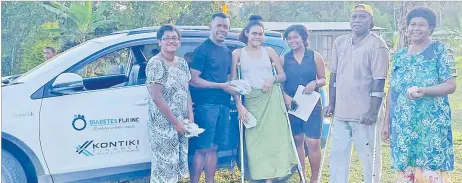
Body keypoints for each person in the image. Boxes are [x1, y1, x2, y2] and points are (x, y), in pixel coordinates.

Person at [382, 7, 457, 182]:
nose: (416, 28)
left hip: (431, 126)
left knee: (430, 168)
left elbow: (450, 85)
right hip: (403, 126)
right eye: (412, 24)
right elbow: (392, 91)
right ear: (406, 28)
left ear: (430, 28)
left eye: (421, 24)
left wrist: (425, 91)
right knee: (406, 170)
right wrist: (386, 123)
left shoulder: (440, 50)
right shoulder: (400, 55)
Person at [324, 4, 389, 183]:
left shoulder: (378, 46)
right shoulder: (340, 42)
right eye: (354, 17)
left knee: (369, 161)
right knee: (337, 158)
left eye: (362, 17)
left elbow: (379, 80)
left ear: (371, 21)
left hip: (365, 115)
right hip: (341, 113)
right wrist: (331, 103)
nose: (357, 21)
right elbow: (334, 76)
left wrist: (373, 112)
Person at [231, 15, 298, 183]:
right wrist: (239, 105)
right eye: (254, 33)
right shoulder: (237, 53)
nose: (257, 37)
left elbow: (282, 75)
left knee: (275, 140)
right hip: (252, 102)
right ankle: (261, 177)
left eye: (260, 34)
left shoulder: (269, 51)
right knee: (256, 142)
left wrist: (272, 79)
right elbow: (234, 83)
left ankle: (271, 178)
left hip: (272, 100)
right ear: (247, 33)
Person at [188, 12, 238, 183]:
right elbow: (194, 80)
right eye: (219, 25)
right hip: (205, 106)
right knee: (202, 148)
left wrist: (235, 87)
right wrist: (220, 86)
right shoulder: (202, 49)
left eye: (225, 26)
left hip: (223, 105)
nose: (222, 29)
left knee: (214, 148)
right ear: (210, 26)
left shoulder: (227, 52)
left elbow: (228, 79)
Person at [145, 24, 194, 183]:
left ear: (179, 42)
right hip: (164, 126)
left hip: (181, 122)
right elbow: (157, 97)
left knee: (177, 166)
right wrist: (176, 123)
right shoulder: (155, 63)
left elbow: (186, 91)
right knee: (164, 168)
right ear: (159, 41)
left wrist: (190, 118)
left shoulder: (182, 63)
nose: (171, 41)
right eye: (167, 38)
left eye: (175, 38)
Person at [281, 24, 326, 183]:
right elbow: (280, 83)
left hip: (312, 105)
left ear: (303, 38)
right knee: (298, 141)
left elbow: (323, 79)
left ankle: (315, 179)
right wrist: (286, 97)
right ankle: (303, 177)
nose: (292, 41)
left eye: (295, 37)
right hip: (293, 105)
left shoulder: (315, 56)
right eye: (289, 38)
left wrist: (315, 83)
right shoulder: (283, 59)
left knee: (313, 143)